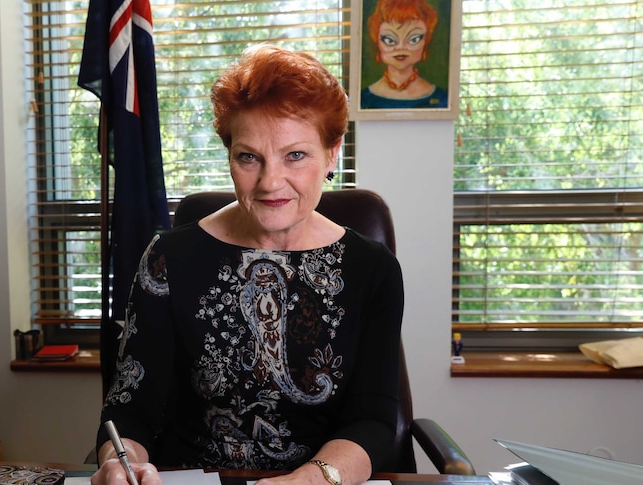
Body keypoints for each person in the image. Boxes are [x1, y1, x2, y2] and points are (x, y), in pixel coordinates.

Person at [92, 45, 404, 485]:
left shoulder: (373, 269)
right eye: (249, 156)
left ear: (332, 154)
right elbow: (132, 406)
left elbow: (372, 418)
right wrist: (119, 462)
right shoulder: (168, 259)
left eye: (295, 155)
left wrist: (311, 480)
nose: (270, 181)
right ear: (230, 155)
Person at [360, 0, 448, 109]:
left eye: (414, 39)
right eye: (389, 40)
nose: (401, 47)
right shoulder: (363, 99)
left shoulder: (442, 99)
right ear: (377, 41)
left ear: (425, 42)